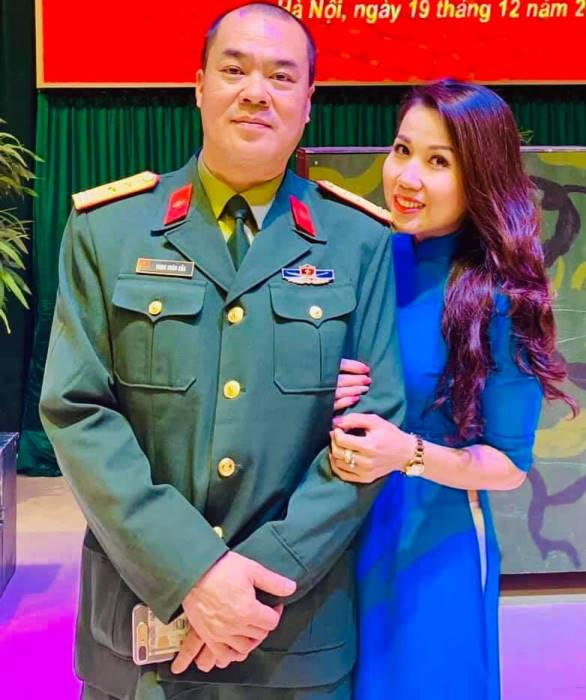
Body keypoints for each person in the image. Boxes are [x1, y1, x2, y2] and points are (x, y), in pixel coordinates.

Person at [39, 3, 406, 699]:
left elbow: (374, 428)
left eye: (281, 76)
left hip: (291, 631)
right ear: (199, 85)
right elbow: (77, 412)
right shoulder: (109, 230)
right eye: (234, 70)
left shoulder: (358, 241)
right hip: (141, 624)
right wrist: (193, 571)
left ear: (308, 103)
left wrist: (256, 582)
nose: (256, 92)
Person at [329, 79, 576, 700]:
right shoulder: (365, 258)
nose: (407, 177)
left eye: (438, 161)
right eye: (402, 150)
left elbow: (509, 465)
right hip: (333, 534)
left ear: (480, 177)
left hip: (431, 546)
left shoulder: (499, 296)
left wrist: (407, 453)